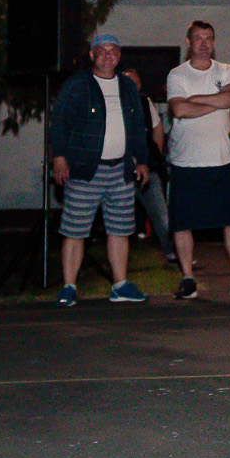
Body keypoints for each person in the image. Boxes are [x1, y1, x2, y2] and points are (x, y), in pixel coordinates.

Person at [49, 35, 151, 305]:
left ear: (119, 56)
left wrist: (142, 160)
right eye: (101, 51)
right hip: (85, 171)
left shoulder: (127, 87)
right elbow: (59, 122)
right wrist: (59, 158)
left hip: (121, 171)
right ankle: (69, 287)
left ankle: (120, 285)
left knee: (120, 229)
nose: (107, 56)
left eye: (113, 51)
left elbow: (138, 127)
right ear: (92, 55)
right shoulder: (76, 85)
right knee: (75, 230)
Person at [166, 20, 230, 299]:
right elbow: (179, 110)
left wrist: (195, 99)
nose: (204, 44)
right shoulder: (177, 74)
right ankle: (188, 278)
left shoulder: (226, 70)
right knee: (183, 223)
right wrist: (217, 99)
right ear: (189, 42)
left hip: (221, 160)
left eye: (208, 38)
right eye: (198, 38)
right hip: (186, 162)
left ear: (214, 42)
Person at [118, 63, 177, 263]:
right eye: (127, 82)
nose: (131, 87)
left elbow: (157, 128)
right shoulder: (112, 103)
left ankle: (172, 253)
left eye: (135, 83)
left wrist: (154, 156)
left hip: (146, 171)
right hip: (119, 171)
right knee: (117, 219)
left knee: (161, 214)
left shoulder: (145, 103)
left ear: (139, 86)